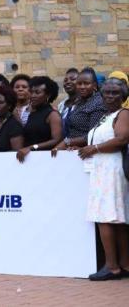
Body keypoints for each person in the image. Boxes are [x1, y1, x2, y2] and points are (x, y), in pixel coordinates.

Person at [79, 78, 129, 281]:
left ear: (124, 97)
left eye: (115, 93)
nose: (110, 96)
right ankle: (124, 264)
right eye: (106, 92)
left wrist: (95, 148)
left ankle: (112, 266)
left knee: (104, 217)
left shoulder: (123, 114)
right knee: (115, 218)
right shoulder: (105, 116)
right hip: (101, 169)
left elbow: (122, 139)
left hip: (111, 168)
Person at [54, 67, 106, 153]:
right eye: (79, 83)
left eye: (86, 83)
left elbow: (94, 134)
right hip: (73, 150)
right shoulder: (81, 101)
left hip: (88, 152)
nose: (82, 87)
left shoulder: (98, 103)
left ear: (94, 86)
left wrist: (67, 142)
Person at [17, 76, 63, 162]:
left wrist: (32, 147)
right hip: (28, 158)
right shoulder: (32, 113)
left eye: (37, 92)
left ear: (48, 95)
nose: (33, 95)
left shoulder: (53, 114)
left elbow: (56, 139)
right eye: (31, 92)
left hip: (46, 159)